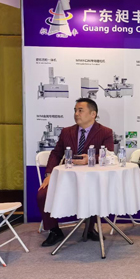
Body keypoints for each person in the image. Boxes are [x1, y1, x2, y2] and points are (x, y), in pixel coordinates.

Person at [38, 98, 115, 247]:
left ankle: (90, 228)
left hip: (91, 178)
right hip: (67, 177)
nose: (76, 114)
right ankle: (54, 230)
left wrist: (90, 159)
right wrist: (49, 175)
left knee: (94, 192)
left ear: (93, 114)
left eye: (80, 110)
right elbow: (56, 153)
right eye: (75, 110)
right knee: (42, 194)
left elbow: (109, 154)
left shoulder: (105, 132)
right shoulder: (67, 132)